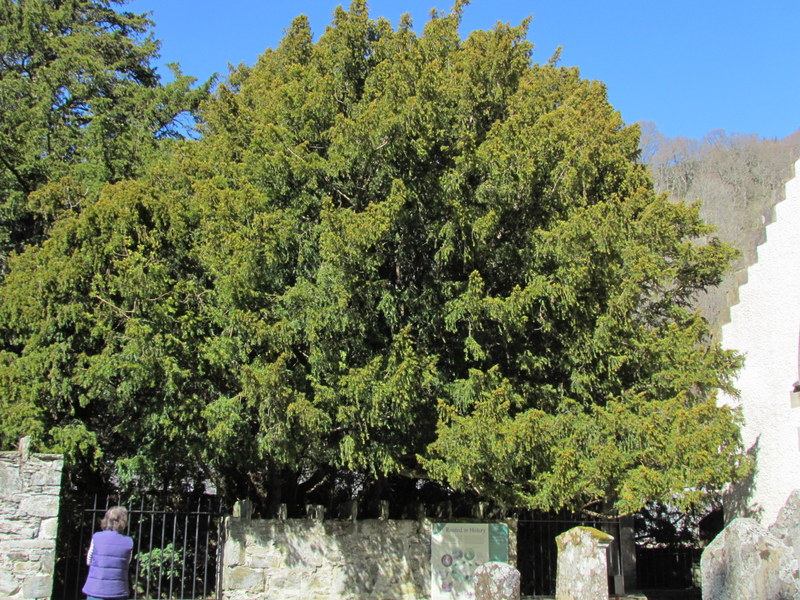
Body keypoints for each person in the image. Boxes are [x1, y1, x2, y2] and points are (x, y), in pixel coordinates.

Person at [82, 506, 134, 600]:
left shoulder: (97, 537)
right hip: (118, 590)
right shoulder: (128, 542)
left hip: (96, 589)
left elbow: (89, 560)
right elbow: (127, 562)